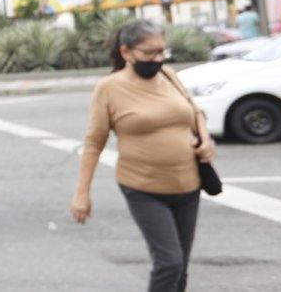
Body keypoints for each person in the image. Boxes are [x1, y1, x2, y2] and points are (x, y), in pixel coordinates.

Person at [71, 19, 216, 292]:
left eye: (162, 52)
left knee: (181, 266)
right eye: (150, 53)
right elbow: (94, 142)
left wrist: (205, 140)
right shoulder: (109, 88)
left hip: (187, 185)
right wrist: (82, 194)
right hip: (144, 187)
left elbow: (194, 111)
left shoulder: (169, 75)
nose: (157, 59)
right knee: (169, 263)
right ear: (126, 52)